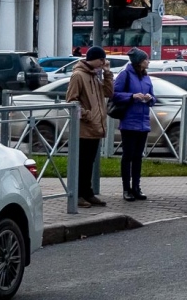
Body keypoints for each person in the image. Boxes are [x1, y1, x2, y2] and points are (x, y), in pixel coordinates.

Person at [64, 47, 114, 208]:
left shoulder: (94, 76)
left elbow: (109, 92)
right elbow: (71, 101)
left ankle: (87, 192)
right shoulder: (79, 75)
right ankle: (77, 195)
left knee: (89, 163)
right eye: (101, 60)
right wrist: (88, 115)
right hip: (84, 128)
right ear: (94, 58)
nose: (103, 62)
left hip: (95, 128)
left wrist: (107, 73)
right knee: (82, 163)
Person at [112, 48, 157, 201]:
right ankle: (126, 189)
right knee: (128, 156)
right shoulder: (125, 75)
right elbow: (115, 94)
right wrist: (132, 96)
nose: (148, 61)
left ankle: (137, 187)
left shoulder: (146, 77)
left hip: (143, 121)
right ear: (139, 62)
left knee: (138, 156)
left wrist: (150, 98)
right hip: (129, 121)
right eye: (146, 59)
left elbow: (154, 97)